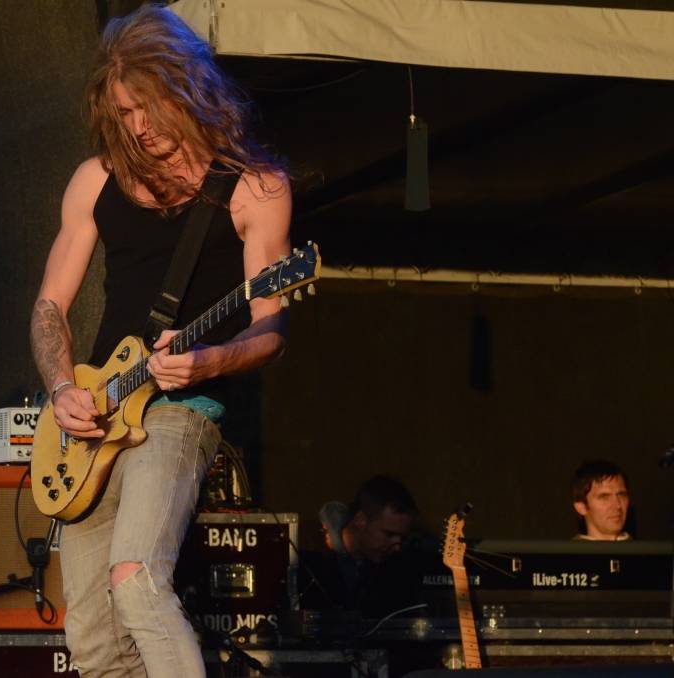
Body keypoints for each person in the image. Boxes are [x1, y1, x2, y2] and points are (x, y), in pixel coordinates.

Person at [28, 5, 291, 677]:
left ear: (189, 89)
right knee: (92, 639)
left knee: (136, 577)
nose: (139, 126)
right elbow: (50, 306)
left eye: (149, 106)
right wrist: (61, 387)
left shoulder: (254, 187)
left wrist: (209, 360)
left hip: (180, 409)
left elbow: (270, 330)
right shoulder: (94, 180)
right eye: (124, 112)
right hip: (99, 415)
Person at [305, 475, 420, 616]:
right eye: (389, 534)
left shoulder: (394, 568)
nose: (397, 547)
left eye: (402, 538)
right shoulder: (313, 559)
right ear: (360, 520)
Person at [571, 459, 631, 541]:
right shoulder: (568, 549)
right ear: (581, 507)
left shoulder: (643, 548)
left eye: (621, 495)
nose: (618, 505)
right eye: (604, 497)